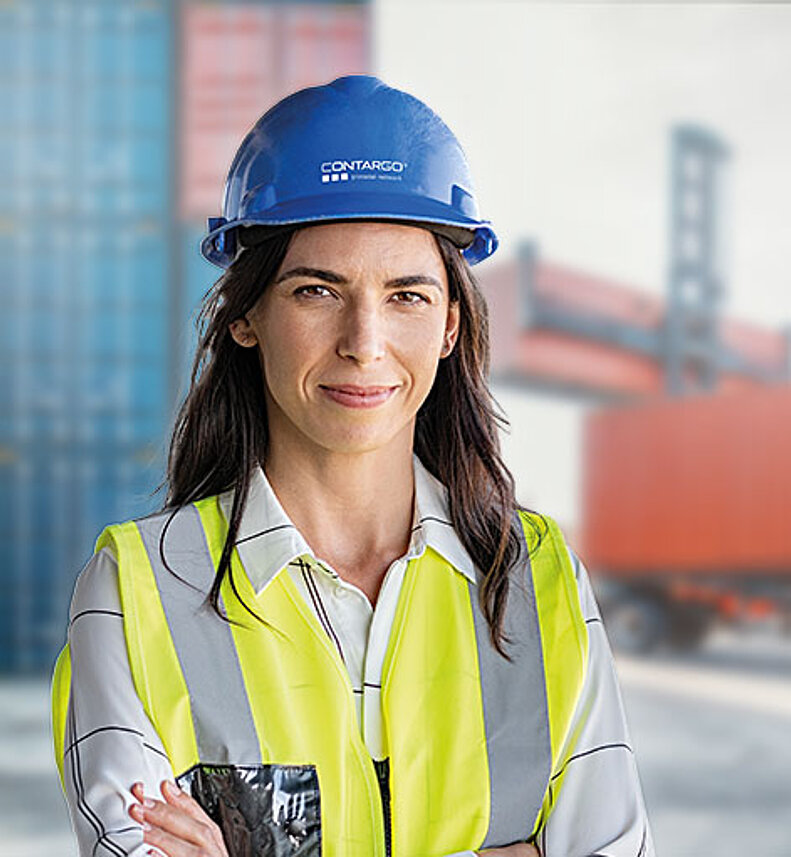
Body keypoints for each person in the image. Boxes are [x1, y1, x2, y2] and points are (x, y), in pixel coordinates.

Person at [51, 75, 654, 857]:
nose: (364, 342)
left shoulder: (538, 581)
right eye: (315, 291)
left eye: (405, 295)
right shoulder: (136, 592)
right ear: (245, 317)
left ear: (449, 326)